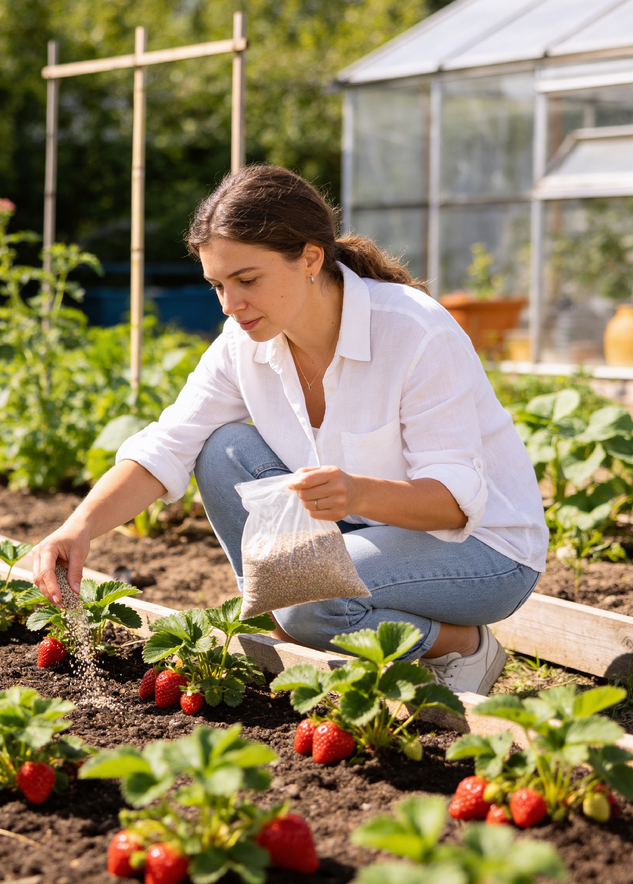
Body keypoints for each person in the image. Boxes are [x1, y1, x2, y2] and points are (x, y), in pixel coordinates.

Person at [32, 164, 547, 695]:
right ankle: (302, 621)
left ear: (310, 259)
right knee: (221, 450)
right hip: (366, 532)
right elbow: (169, 444)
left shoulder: (415, 331)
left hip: (481, 550)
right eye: (218, 285)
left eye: (247, 280)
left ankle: (460, 645)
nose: (230, 305)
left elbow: (456, 504)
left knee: (304, 593)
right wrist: (79, 527)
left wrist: (356, 493)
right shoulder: (243, 343)